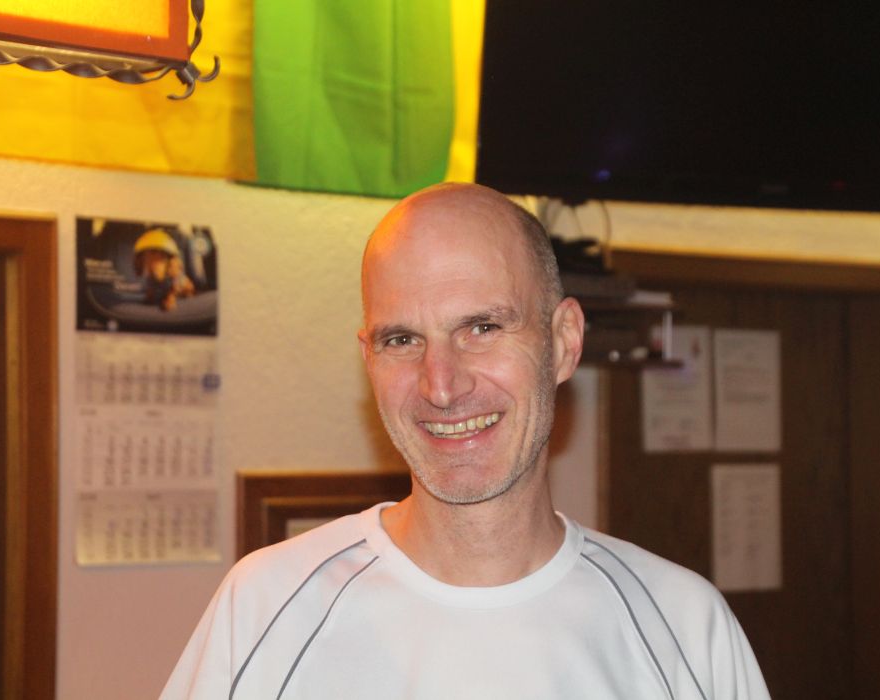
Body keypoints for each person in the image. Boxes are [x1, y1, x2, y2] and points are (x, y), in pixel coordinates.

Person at [160, 183, 770, 699]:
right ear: (369, 360)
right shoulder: (265, 609)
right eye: (402, 340)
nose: (442, 386)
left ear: (564, 342)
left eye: (482, 327)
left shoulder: (685, 628)